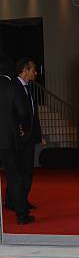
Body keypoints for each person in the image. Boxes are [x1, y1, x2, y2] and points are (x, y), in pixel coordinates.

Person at [0, 59, 35, 225]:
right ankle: (22, 215)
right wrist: (25, 128)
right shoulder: (11, 87)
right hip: (8, 140)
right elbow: (23, 113)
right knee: (14, 176)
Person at [10, 58, 42, 212]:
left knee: (26, 171)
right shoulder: (13, 87)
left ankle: (20, 201)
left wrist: (38, 134)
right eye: (33, 70)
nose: (35, 73)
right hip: (19, 138)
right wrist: (18, 129)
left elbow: (33, 114)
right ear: (25, 70)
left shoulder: (27, 88)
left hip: (28, 137)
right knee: (21, 172)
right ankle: (18, 202)